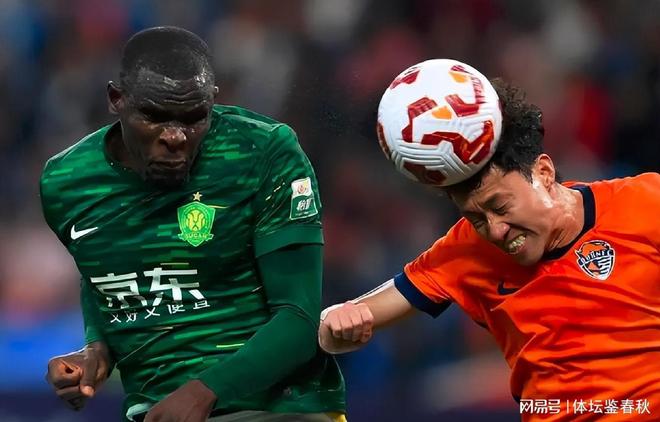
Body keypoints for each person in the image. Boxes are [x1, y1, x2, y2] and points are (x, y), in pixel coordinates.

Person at [41, 26, 345, 422]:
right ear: (117, 99)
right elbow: (103, 274)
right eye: (154, 117)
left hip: (278, 408)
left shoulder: (263, 153)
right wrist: (96, 352)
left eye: (194, 118)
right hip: (157, 410)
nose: (175, 136)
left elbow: (299, 320)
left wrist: (205, 391)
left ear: (212, 102)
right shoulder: (67, 183)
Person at [319, 78, 660, 421]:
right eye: (477, 218)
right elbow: (347, 321)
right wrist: (335, 326)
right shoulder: (467, 249)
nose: (495, 230)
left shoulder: (645, 201)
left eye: (501, 207)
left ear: (543, 173)